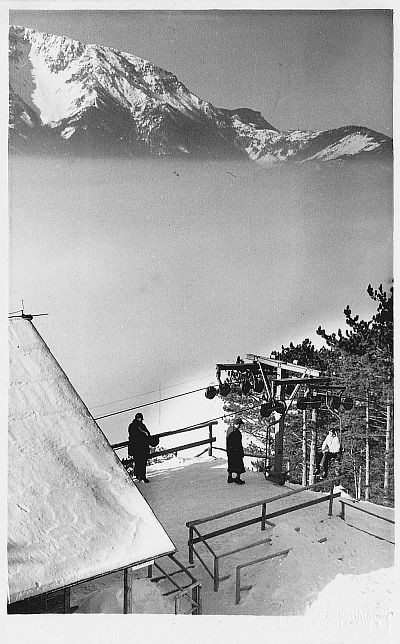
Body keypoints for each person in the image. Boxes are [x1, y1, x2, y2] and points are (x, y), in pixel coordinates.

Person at [128, 412, 151, 483]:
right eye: (138, 418)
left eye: (140, 418)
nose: (139, 419)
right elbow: (133, 435)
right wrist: (143, 434)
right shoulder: (132, 425)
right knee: (138, 462)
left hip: (143, 446)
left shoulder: (142, 425)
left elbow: (148, 433)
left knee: (143, 462)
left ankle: (143, 476)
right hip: (136, 447)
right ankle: (139, 476)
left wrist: (144, 434)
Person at [226, 418, 246, 485]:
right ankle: (238, 478)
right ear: (238, 424)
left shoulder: (229, 429)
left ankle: (230, 477)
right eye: (240, 424)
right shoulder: (236, 432)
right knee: (239, 465)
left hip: (230, 451)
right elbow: (238, 444)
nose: (240, 426)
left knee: (231, 464)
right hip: (236, 451)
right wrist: (241, 452)